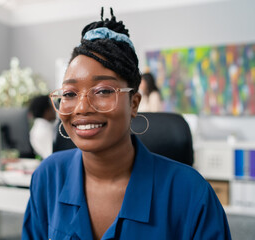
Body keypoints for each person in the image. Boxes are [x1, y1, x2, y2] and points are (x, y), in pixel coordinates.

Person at [22, 8, 231, 240]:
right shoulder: (48, 177)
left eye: (102, 91)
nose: (81, 107)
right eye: (70, 93)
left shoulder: (191, 193)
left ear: (134, 103)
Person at [28, 95, 56, 159]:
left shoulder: (40, 128)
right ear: (46, 111)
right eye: (52, 107)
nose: (55, 110)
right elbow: (52, 154)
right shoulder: (44, 131)